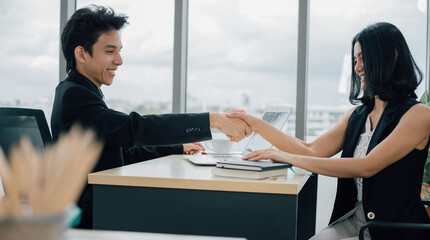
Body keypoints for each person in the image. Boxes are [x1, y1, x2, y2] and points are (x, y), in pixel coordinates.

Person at [51, 5, 251, 229]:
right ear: (81, 54)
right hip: (94, 214)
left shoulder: (80, 91)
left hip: (101, 205)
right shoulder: (75, 95)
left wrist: (177, 148)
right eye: (110, 51)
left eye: (119, 50)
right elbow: (135, 129)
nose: (119, 60)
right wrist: (211, 120)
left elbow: (123, 152)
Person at [228, 22, 430, 240]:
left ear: (392, 56)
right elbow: (312, 149)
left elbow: (367, 166)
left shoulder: (419, 115)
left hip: (394, 229)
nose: (357, 68)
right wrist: (256, 123)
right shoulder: (356, 116)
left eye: (364, 58)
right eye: (355, 60)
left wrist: (285, 157)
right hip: (356, 220)